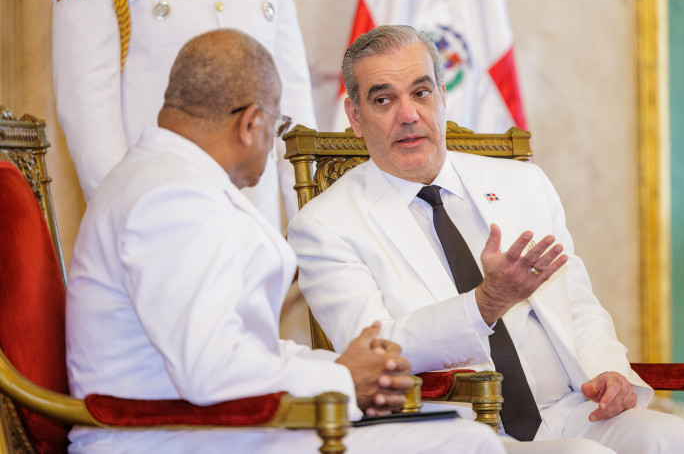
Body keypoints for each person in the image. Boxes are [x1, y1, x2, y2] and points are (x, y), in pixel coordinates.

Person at [65, 28, 506, 453]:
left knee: (457, 435)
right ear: (250, 124)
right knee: (468, 443)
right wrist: (343, 379)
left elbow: (238, 348)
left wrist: (340, 368)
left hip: (203, 428)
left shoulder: (161, 178)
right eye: (277, 127)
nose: (274, 146)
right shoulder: (172, 199)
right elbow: (210, 369)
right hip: (170, 438)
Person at [287, 25, 684, 453]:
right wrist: (484, 304)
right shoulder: (324, 225)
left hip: (568, 409)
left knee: (679, 439)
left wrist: (608, 370)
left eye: (421, 93)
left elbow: (578, 304)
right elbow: (375, 354)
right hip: (455, 430)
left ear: (442, 96)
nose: (409, 114)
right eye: (384, 100)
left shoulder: (523, 183)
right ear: (355, 116)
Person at [51, 0, 314, 228]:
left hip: (255, 217)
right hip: (160, 212)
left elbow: (294, 104)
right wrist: (131, 220)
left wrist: (310, 222)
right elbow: (88, 111)